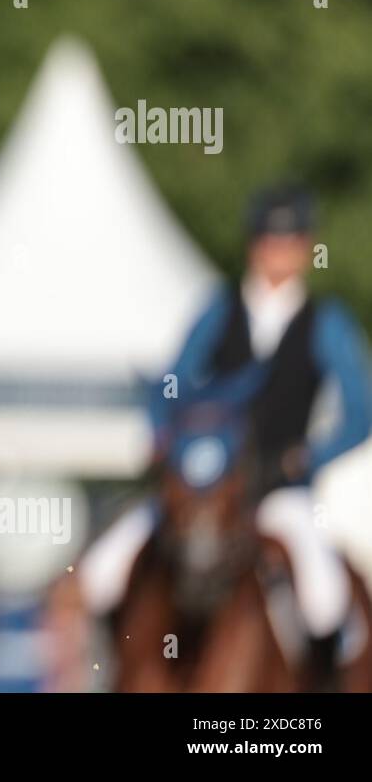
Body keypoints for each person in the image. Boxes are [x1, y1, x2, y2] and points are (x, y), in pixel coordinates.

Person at [78, 184, 372, 678]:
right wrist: (163, 435)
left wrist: (308, 458)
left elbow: (361, 411)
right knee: (100, 572)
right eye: (269, 240)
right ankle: (113, 671)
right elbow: (173, 380)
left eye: (290, 241)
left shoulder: (327, 323)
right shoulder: (219, 309)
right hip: (205, 489)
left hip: (280, 491)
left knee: (324, 597)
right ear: (254, 244)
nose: (279, 253)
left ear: (305, 247)